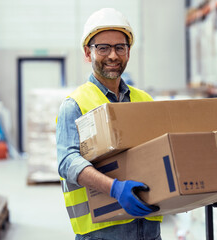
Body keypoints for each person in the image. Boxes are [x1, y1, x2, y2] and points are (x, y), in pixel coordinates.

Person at [56, 8, 163, 240]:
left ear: (128, 52)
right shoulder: (74, 104)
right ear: (88, 53)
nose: (113, 55)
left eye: (120, 47)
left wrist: (209, 192)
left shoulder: (144, 101)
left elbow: (166, 153)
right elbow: (67, 162)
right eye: (103, 48)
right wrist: (115, 189)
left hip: (149, 231)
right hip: (101, 233)